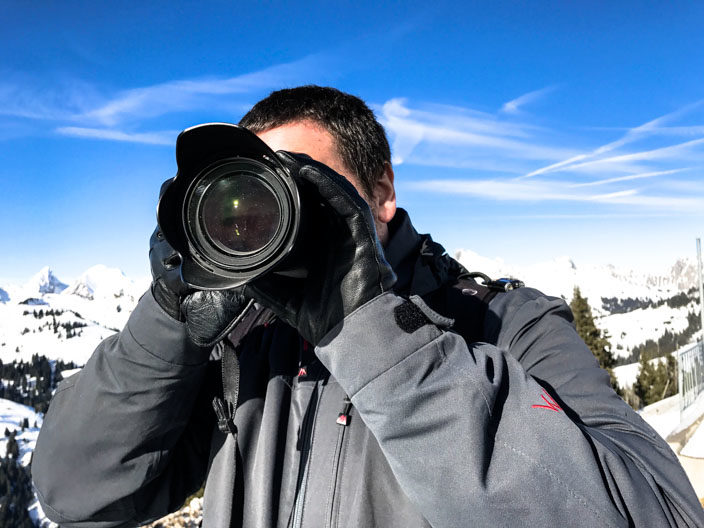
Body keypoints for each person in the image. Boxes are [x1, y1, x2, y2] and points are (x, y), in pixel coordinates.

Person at [32, 86, 704, 528]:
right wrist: (170, 312)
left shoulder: (506, 325)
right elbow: (78, 492)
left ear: (380, 193)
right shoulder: (243, 345)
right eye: (244, 201)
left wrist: (372, 332)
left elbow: (662, 514)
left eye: (301, 185)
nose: (264, 219)